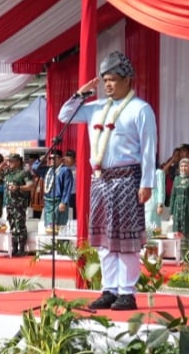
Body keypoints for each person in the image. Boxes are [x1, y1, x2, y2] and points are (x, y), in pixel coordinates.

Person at [58, 51, 157, 311]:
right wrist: (81, 93)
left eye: (113, 79)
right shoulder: (96, 107)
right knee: (103, 239)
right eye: (105, 80)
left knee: (126, 241)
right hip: (100, 180)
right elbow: (64, 116)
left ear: (127, 80)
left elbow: (149, 149)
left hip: (127, 179)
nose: (108, 84)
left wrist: (147, 183)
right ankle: (109, 289)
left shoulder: (140, 109)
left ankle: (127, 292)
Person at [2, 153, 33, 257]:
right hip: (9, 203)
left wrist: (19, 187)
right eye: (9, 161)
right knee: (12, 225)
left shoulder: (24, 173)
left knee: (20, 225)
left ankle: (22, 248)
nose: (9, 163)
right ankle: (14, 247)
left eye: (12, 161)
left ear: (18, 162)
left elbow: (30, 185)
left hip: (19, 203)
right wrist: (2, 164)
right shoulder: (8, 173)